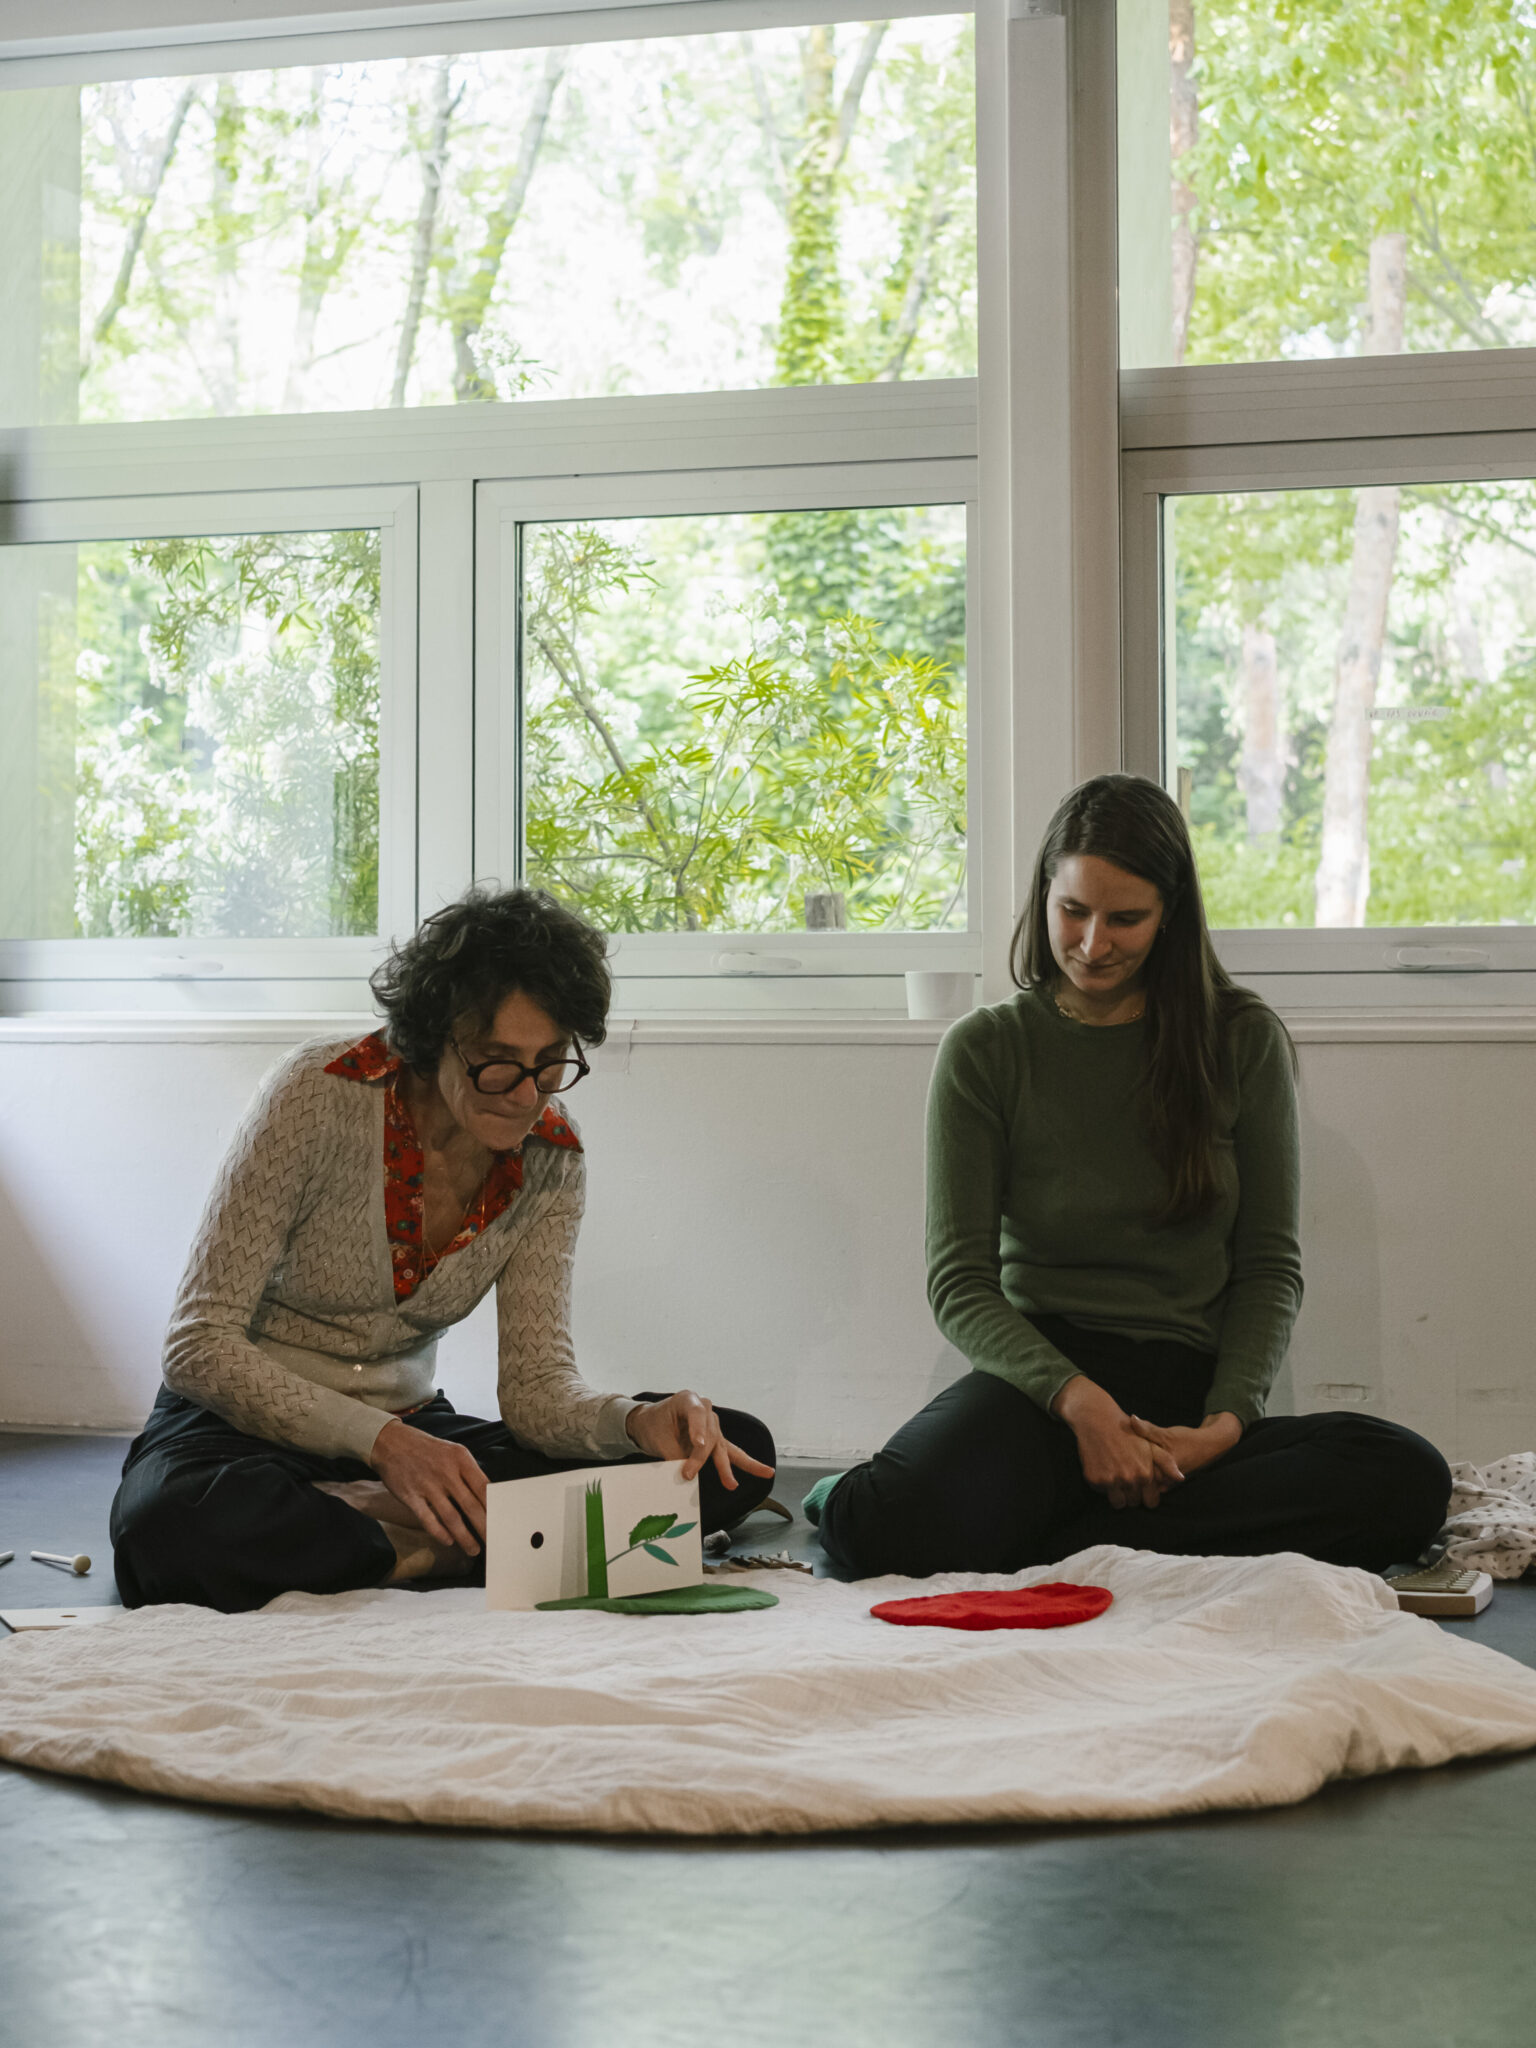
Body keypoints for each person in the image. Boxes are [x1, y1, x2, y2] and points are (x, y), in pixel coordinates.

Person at [810, 773, 1451, 1580]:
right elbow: (959, 1281)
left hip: (1184, 1395)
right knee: (874, 1530)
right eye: (1072, 911)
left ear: (1171, 916)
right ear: (1044, 895)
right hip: (1041, 1386)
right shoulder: (985, 1050)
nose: (1091, 943)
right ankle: (1105, 1529)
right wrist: (1083, 1406)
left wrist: (1224, 1424)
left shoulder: (1241, 1040)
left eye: (1126, 919)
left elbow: (1268, 1267)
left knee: (1406, 1477)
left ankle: (1057, 1535)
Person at [112, 887, 776, 1612]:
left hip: (412, 1432)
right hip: (240, 1426)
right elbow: (198, 1345)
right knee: (165, 1529)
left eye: (549, 1062)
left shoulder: (553, 1155)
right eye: (496, 1061)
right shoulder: (318, 1091)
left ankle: (365, 1528)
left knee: (730, 1455)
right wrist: (383, 1447)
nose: (525, 1095)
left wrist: (633, 1422)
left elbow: (536, 1391)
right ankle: (455, 1547)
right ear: (433, 1036)